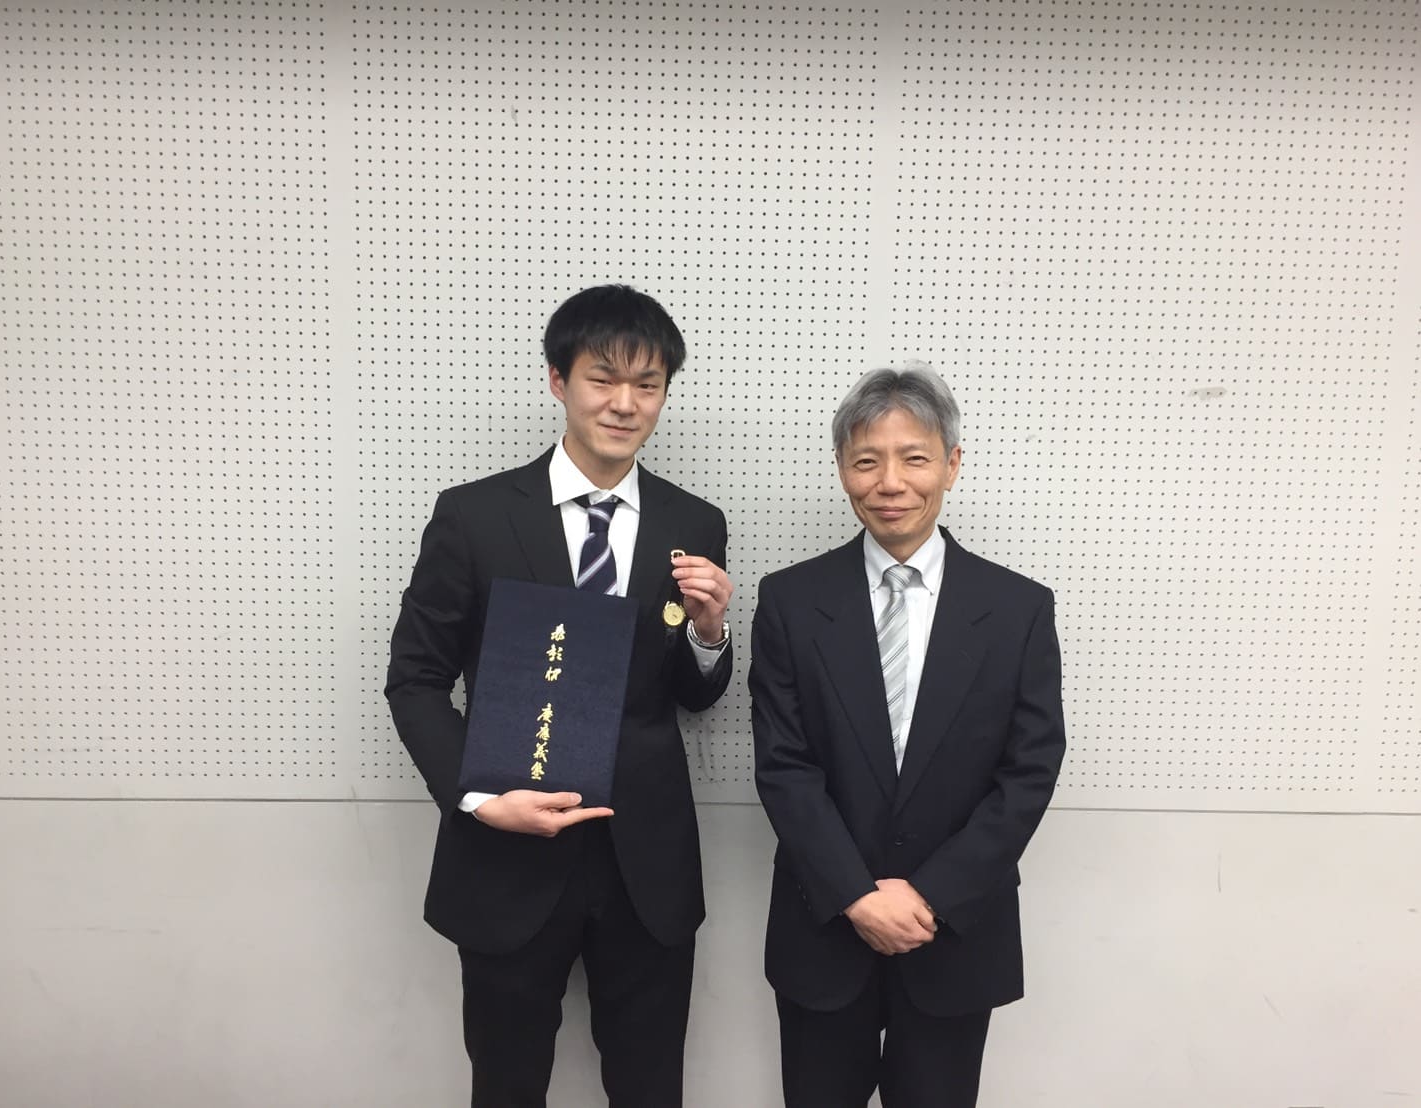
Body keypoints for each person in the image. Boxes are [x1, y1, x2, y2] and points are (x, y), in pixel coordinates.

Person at [386, 285, 734, 1107]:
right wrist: (479, 798)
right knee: (506, 1085)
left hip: (644, 860)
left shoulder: (694, 522)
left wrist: (711, 632)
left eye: (647, 384)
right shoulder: (473, 516)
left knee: (650, 1087)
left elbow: (692, 695)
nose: (624, 403)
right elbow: (415, 679)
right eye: (602, 379)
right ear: (558, 381)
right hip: (507, 852)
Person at [750, 364, 1065, 1108]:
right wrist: (857, 896)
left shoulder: (1017, 609)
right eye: (867, 461)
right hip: (825, 928)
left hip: (954, 930)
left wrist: (930, 894)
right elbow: (784, 767)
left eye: (914, 458)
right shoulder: (791, 601)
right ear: (843, 469)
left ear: (952, 464)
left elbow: (1029, 771)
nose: (890, 482)